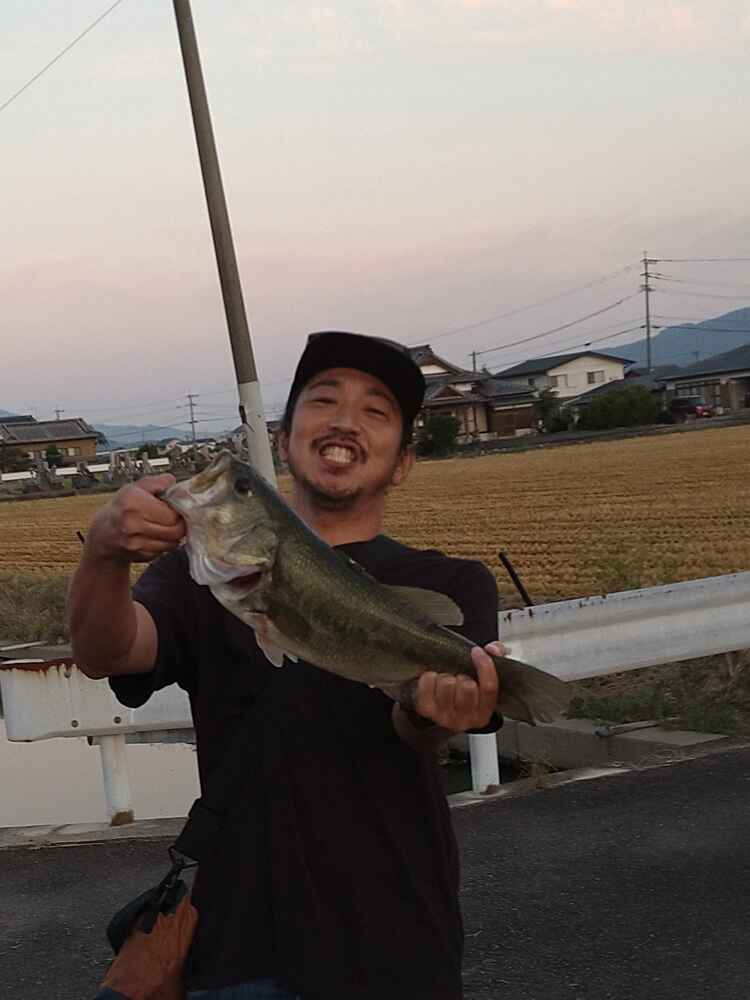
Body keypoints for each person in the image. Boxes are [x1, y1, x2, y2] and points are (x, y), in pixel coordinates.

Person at [70, 331, 504, 1000]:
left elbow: (419, 730)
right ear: (282, 439)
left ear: (403, 463)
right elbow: (107, 653)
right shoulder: (197, 578)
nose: (345, 421)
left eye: (376, 410)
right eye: (323, 399)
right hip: (236, 947)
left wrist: (434, 713)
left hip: (398, 941)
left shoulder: (449, 588)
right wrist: (102, 553)